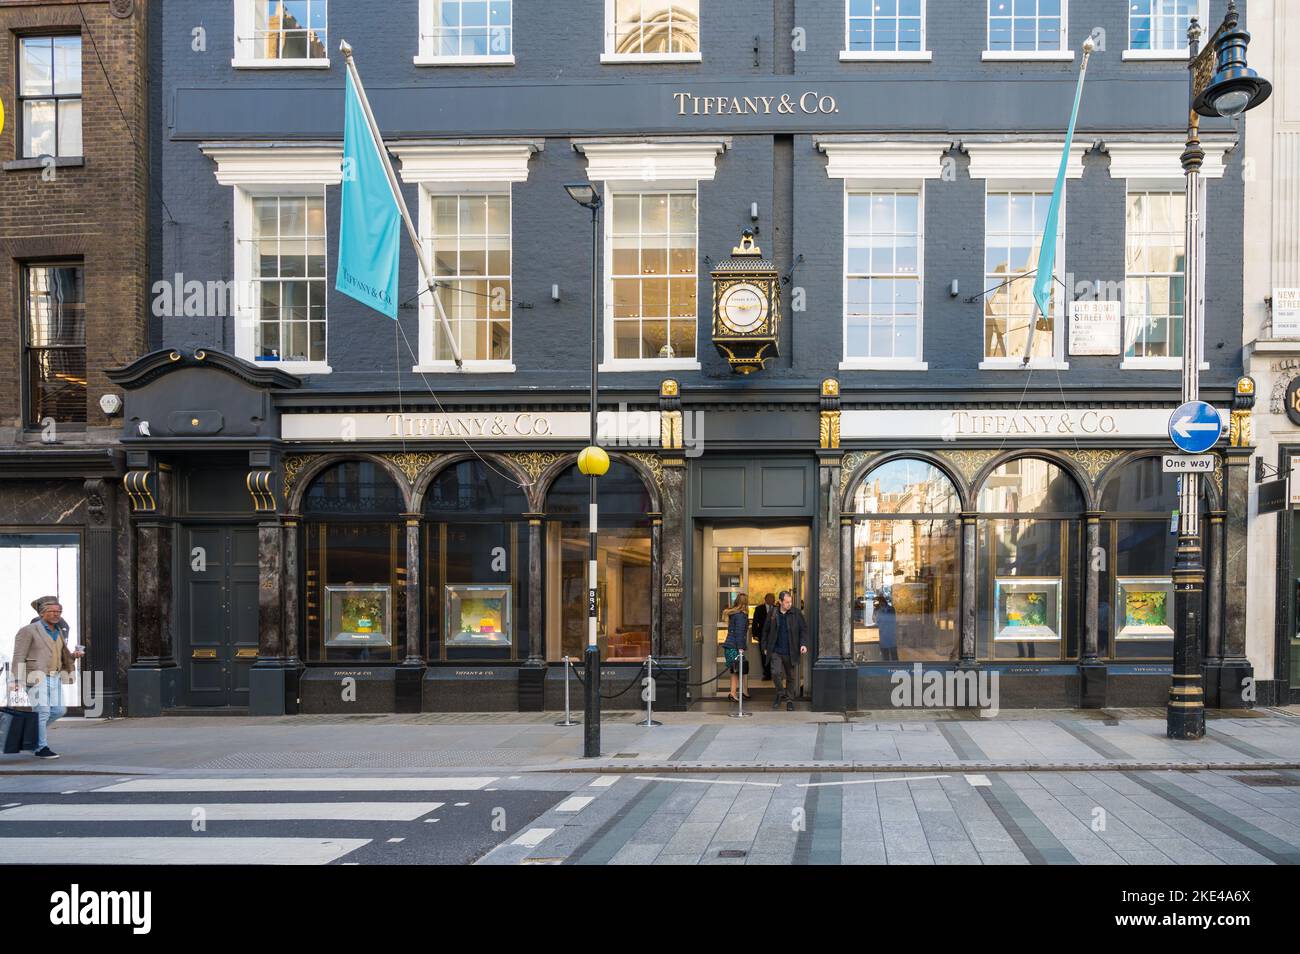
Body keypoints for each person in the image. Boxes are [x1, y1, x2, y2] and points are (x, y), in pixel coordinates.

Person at [9, 596, 81, 759]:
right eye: (53, 611)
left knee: (58, 710)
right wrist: (16, 680)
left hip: (55, 677)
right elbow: (19, 656)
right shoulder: (28, 630)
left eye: (59, 611)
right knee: (42, 711)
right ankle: (41, 748)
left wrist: (73, 656)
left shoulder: (59, 631)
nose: (57, 614)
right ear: (42, 613)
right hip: (35, 676)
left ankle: (30, 737)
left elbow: (59, 654)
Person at [761, 590, 808, 710]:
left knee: (790, 677)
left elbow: (803, 630)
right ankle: (780, 692)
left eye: (790, 602)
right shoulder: (773, 613)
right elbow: (765, 630)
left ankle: (789, 700)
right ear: (780, 602)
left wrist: (803, 644)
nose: (789, 604)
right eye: (787, 602)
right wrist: (765, 646)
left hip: (791, 650)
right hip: (776, 650)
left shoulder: (796, 613)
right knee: (775, 673)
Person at [721, 593, 750, 703]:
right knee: (736, 671)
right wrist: (741, 648)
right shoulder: (741, 616)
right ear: (745, 603)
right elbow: (739, 633)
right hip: (735, 647)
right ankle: (733, 693)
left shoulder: (734, 614)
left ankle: (743, 691)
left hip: (730, 646)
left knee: (739, 670)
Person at [751, 592, 775, 680]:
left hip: (775, 636)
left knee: (775, 655)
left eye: (774, 598)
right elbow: (755, 622)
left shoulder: (777, 609)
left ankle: (774, 673)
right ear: (766, 599)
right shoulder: (759, 609)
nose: (773, 600)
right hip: (763, 636)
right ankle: (767, 674)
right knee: (764, 655)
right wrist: (755, 634)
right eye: (771, 598)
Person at [874, 594, 898, 662]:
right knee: (885, 653)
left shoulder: (890, 609)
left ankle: (896, 666)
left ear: (882, 602)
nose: (878, 604)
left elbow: (892, 620)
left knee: (893, 652)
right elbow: (876, 620)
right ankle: (887, 665)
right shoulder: (879, 610)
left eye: (878, 602)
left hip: (889, 633)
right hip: (884, 633)